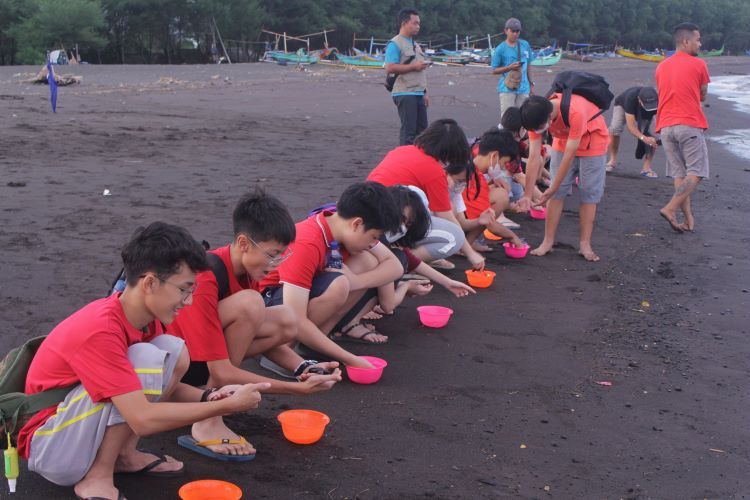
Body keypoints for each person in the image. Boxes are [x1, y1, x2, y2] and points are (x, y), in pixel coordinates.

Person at [17, 222, 270, 500]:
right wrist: (225, 406)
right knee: (147, 358)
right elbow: (143, 419)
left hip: (76, 427)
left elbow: (153, 390)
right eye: (185, 289)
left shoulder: (143, 318)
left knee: (172, 351)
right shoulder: (101, 329)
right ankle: (97, 477)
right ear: (150, 283)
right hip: (52, 447)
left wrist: (210, 396)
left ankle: (123, 456)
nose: (188, 302)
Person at [167, 191, 341, 461]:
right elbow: (223, 371)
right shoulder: (206, 275)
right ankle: (208, 420)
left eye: (281, 256)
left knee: (285, 319)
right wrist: (298, 390)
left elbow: (261, 335)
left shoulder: (246, 271)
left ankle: (208, 398)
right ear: (244, 243)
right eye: (272, 255)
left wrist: (305, 368)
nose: (275, 264)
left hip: (200, 365)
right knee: (251, 304)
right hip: (170, 375)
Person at [259, 182, 403, 364]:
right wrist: (350, 359)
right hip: (266, 307)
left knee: (366, 261)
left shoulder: (340, 222)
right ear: (357, 224)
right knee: (339, 284)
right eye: (374, 237)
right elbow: (295, 318)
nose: (372, 243)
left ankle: (311, 345)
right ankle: (279, 353)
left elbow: (395, 267)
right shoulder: (307, 242)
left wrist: (357, 281)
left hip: (294, 301)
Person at [367, 118, 485, 270]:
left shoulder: (402, 150)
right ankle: (400, 264)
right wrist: (471, 253)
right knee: (454, 237)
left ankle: (414, 257)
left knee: (424, 210)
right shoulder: (433, 170)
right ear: (451, 152)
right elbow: (447, 217)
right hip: (385, 227)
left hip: (368, 217)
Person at [519, 93, 609, 262]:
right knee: (556, 194)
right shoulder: (534, 115)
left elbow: (570, 155)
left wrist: (553, 187)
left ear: (549, 117)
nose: (537, 132)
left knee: (589, 194)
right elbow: (533, 157)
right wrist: (527, 195)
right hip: (562, 140)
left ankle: (585, 244)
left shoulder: (575, 111)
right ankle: (547, 241)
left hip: (593, 141)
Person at [655, 22, 710, 232]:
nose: (700, 44)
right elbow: (703, 94)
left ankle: (687, 219)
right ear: (685, 41)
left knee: (680, 175)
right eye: (697, 40)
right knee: (696, 173)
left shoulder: (661, 66)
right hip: (688, 123)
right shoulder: (699, 64)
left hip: (666, 127)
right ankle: (669, 208)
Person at [464, 127, 525, 248]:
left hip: (453, 217)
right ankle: (465, 245)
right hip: (453, 224)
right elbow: (490, 224)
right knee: (499, 199)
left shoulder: (470, 167)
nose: (502, 168)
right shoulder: (473, 176)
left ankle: (466, 243)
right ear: (495, 156)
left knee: (500, 194)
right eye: (503, 163)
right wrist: (513, 237)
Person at [385, 8, 430, 145]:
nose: (418, 26)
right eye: (415, 23)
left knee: (422, 132)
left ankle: (417, 162)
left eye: (419, 23)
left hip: (418, 92)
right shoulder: (395, 43)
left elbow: (420, 71)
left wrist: (425, 92)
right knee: (409, 133)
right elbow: (390, 67)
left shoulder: (415, 45)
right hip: (404, 91)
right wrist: (413, 67)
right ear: (404, 23)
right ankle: (404, 161)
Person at [606, 86, 660, 177]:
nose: (650, 107)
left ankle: (646, 168)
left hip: (645, 113)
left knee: (653, 137)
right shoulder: (630, 99)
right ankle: (612, 160)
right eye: (647, 105)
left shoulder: (657, 98)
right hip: (622, 104)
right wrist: (643, 137)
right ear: (639, 99)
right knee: (615, 129)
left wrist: (652, 137)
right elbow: (631, 127)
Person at [491, 18, 534, 122]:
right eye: (513, 31)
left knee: (524, 118)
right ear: (506, 31)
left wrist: (531, 83)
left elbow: (528, 65)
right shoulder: (500, 49)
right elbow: (494, 70)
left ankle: (521, 138)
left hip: (524, 88)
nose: (515, 34)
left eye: (517, 31)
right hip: (507, 88)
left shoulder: (525, 45)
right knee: (507, 119)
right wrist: (509, 67)